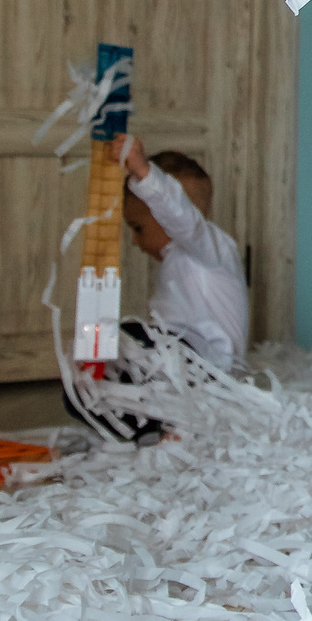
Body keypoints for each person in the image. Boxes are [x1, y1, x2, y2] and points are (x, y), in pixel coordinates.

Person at [66, 138, 252, 443]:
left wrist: (144, 173)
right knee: (84, 388)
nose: (135, 242)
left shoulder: (211, 249)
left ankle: (179, 424)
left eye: (137, 228)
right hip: (175, 372)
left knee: (130, 336)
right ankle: (159, 432)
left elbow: (183, 220)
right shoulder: (179, 260)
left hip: (209, 370)